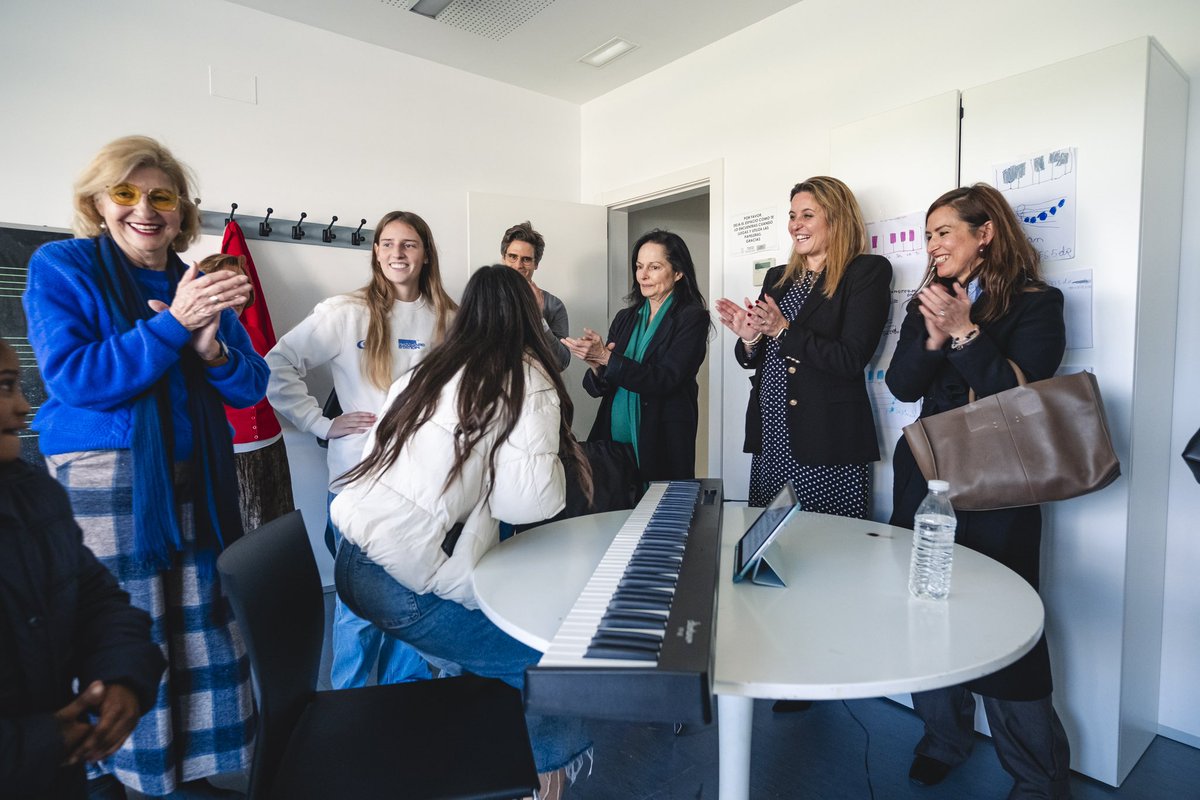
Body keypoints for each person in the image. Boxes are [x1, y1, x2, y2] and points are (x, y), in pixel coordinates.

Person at [21, 135, 266, 797]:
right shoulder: (62, 266)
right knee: (125, 633)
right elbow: (74, 377)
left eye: (161, 195)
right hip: (105, 486)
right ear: (98, 204)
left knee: (196, 637)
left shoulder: (194, 278)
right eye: (126, 194)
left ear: (181, 209)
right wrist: (172, 327)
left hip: (197, 490)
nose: (145, 209)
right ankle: (113, 772)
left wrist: (213, 350)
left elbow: (250, 386)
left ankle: (179, 772)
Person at [333, 264, 593, 799]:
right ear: (530, 314)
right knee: (550, 665)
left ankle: (480, 752)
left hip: (352, 560)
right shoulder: (526, 375)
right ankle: (541, 786)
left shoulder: (426, 368)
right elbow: (533, 501)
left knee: (485, 640)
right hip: (403, 582)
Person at [886, 183, 1071, 799]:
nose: (932, 245)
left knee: (1005, 618)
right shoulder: (927, 302)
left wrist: (965, 332)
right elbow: (904, 385)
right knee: (927, 608)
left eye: (944, 232)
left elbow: (1019, 397)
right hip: (925, 472)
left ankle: (1038, 777)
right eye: (929, 234)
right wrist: (934, 334)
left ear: (984, 232)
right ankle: (943, 737)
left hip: (1000, 479)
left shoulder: (1038, 304)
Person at [266, 210, 456, 690]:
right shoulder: (345, 312)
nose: (397, 253)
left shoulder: (449, 320)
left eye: (409, 244)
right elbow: (276, 365)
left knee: (411, 596)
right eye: (387, 243)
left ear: (426, 253)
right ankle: (344, 707)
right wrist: (321, 424)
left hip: (424, 486)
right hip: (360, 483)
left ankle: (402, 703)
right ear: (376, 252)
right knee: (358, 606)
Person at [0, 337, 166, 800]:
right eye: (5, 386)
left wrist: (121, 676)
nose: (24, 408)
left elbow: (97, 598)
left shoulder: (35, 495)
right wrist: (34, 745)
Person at [717, 176, 892, 514]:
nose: (795, 225)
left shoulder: (865, 272)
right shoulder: (779, 278)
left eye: (807, 215)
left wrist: (783, 330)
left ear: (837, 219)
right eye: (792, 215)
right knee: (769, 542)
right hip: (773, 430)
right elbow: (758, 356)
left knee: (823, 545)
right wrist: (750, 337)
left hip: (825, 434)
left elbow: (851, 358)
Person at [563, 229, 711, 481]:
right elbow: (598, 388)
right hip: (614, 437)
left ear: (677, 272)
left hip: (663, 436)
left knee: (659, 512)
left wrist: (608, 359)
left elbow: (665, 379)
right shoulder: (626, 318)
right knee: (615, 512)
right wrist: (598, 366)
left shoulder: (692, 317)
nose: (643, 275)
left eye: (654, 267)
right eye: (639, 266)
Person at [198, 253, 295, 533]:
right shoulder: (191, 337)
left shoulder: (255, 333)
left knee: (275, 531)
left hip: (269, 445)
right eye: (229, 286)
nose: (239, 295)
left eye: (243, 285)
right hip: (226, 451)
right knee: (233, 535)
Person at [502, 220, 571, 371]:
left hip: (536, 390)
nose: (518, 265)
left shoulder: (553, 305)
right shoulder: (484, 299)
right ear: (503, 258)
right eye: (513, 257)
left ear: (536, 263)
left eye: (526, 259)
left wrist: (538, 319)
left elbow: (561, 362)